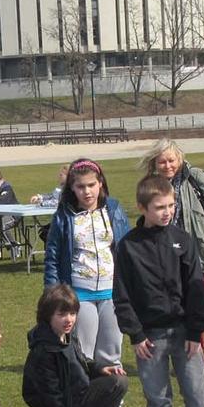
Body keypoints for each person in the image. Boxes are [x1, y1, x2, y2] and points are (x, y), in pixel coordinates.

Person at [114, 175, 204, 407]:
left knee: (198, 395)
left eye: (171, 205)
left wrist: (195, 331)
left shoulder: (182, 240)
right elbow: (122, 295)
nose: (167, 211)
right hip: (150, 337)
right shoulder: (128, 247)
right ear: (142, 208)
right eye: (159, 207)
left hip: (185, 333)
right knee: (158, 399)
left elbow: (196, 289)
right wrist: (135, 334)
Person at [141, 138, 204, 382]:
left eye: (171, 160)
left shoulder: (195, 177)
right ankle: (198, 361)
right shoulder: (154, 186)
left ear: (180, 158)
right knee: (188, 311)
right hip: (174, 259)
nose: (167, 165)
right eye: (162, 161)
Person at [23, 284, 132, 407]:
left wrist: (98, 369)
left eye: (73, 314)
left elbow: (78, 362)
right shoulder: (44, 351)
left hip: (77, 399)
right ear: (47, 316)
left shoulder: (67, 335)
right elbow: (52, 403)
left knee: (118, 382)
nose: (69, 320)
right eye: (62, 315)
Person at [43, 159, 132, 374]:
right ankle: (85, 399)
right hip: (79, 294)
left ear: (100, 183)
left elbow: (128, 249)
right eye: (80, 186)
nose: (87, 191)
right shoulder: (64, 216)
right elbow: (53, 256)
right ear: (72, 188)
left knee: (111, 354)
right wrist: (53, 294)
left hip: (112, 293)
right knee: (83, 354)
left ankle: (112, 401)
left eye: (91, 185)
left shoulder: (114, 209)